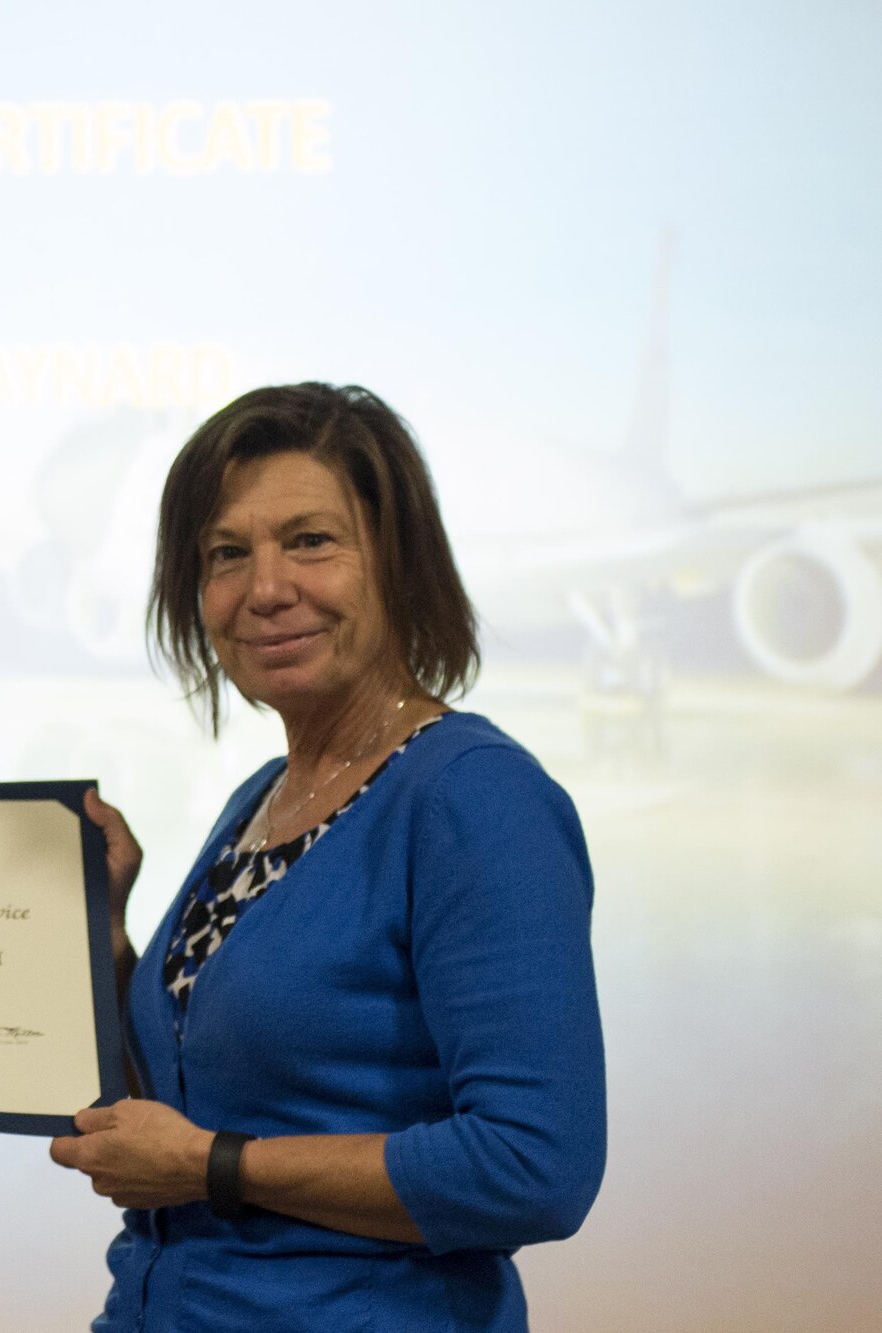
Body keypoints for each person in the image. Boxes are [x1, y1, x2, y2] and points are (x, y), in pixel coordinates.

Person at [50, 383, 607, 1331]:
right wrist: (104, 938)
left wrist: (214, 1165)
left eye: (310, 540)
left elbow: (532, 1167)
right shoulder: (259, 798)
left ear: (398, 561)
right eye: (227, 553)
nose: (265, 588)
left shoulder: (472, 795)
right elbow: (186, 1107)